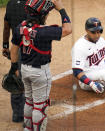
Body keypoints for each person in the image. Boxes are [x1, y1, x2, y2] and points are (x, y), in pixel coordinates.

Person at [9, 0, 72, 130]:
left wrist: (14, 68)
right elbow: (68, 29)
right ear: (41, 15)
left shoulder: (20, 27)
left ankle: (27, 128)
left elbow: (14, 50)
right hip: (40, 73)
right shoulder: (45, 31)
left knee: (29, 101)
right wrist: (61, 9)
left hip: (24, 70)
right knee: (40, 106)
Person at [2, 0, 27, 122]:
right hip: (30, 49)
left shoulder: (10, 3)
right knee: (30, 80)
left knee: (16, 78)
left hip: (15, 48)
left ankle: (17, 115)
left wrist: (5, 45)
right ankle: (30, 116)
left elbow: (6, 26)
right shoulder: (32, 4)